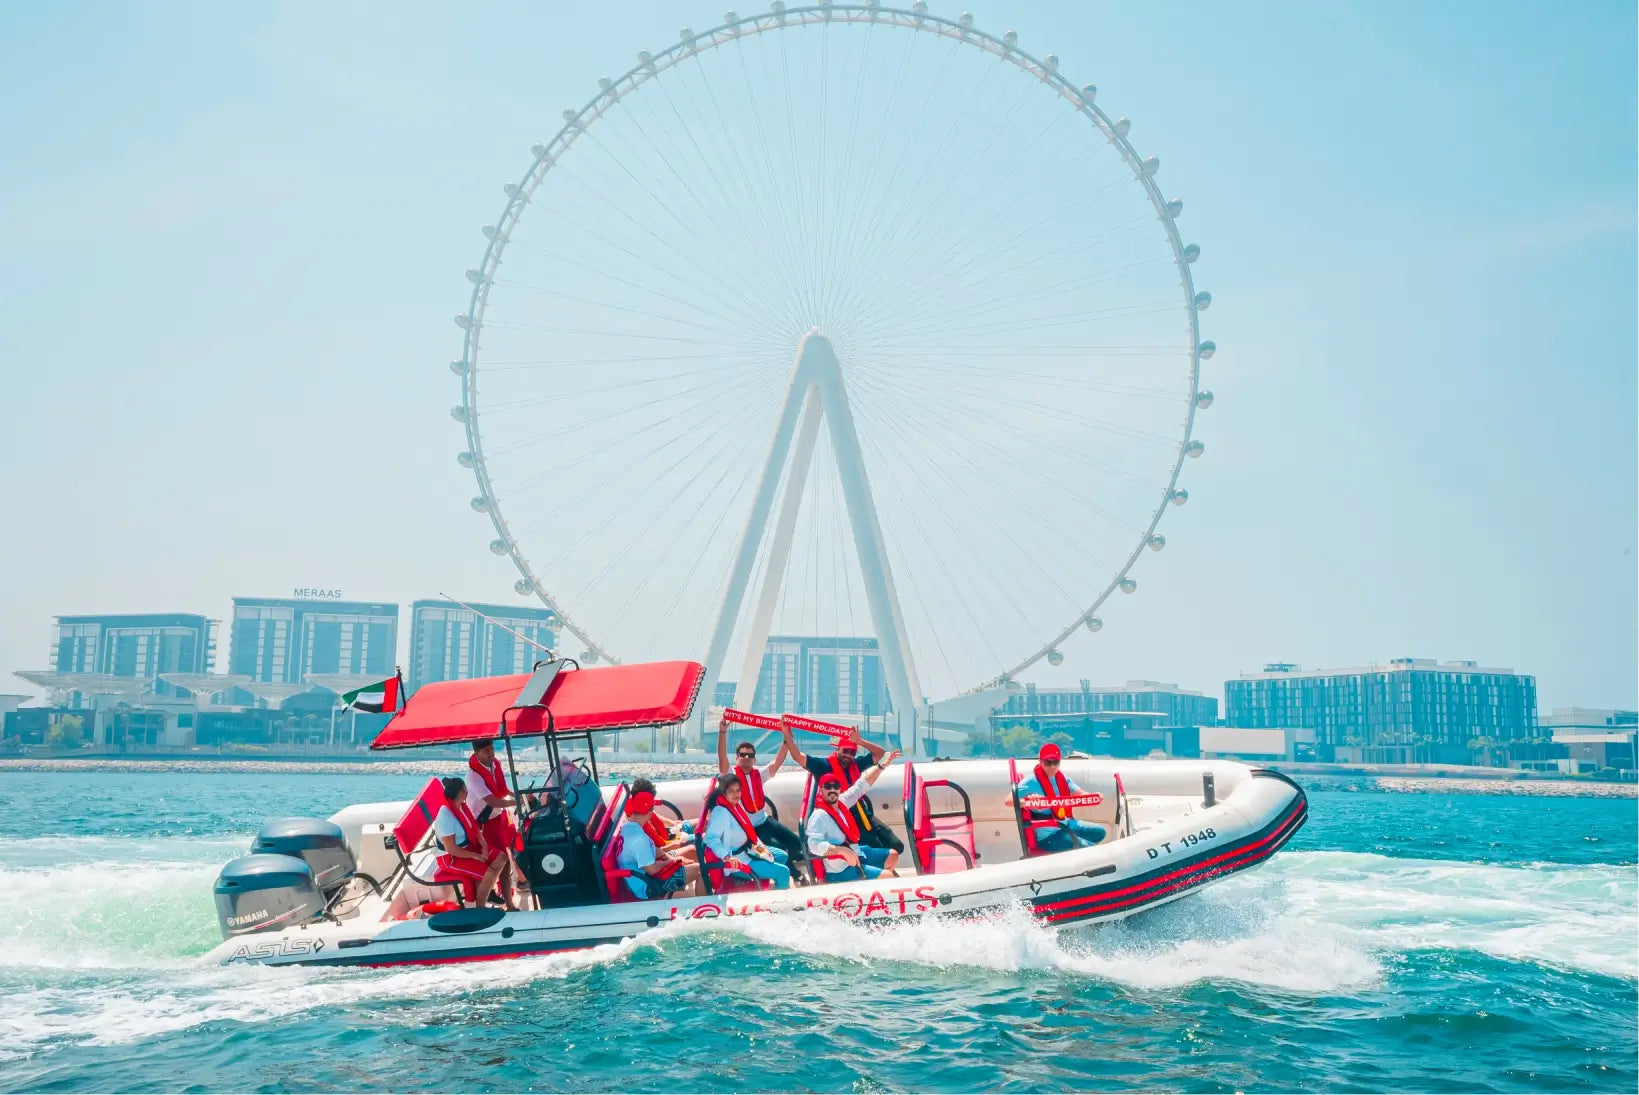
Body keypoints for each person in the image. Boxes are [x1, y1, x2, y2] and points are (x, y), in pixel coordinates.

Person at [781, 723, 905, 858]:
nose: (848, 755)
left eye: (852, 752)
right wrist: (787, 737)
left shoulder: (856, 764)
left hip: (862, 813)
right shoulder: (824, 765)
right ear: (838, 750)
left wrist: (860, 741)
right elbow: (798, 757)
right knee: (876, 849)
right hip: (842, 818)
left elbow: (880, 753)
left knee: (896, 845)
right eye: (845, 751)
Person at [717, 718, 808, 879]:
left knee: (796, 841)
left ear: (754, 759)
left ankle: (795, 860)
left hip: (765, 820)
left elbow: (777, 762)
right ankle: (795, 875)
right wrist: (722, 732)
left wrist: (787, 740)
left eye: (749, 755)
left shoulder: (759, 774)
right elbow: (722, 758)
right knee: (777, 848)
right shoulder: (731, 776)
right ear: (737, 758)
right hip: (750, 829)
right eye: (742, 754)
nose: (746, 757)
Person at [805, 750, 902, 881]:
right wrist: (841, 850)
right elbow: (813, 845)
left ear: (840, 789)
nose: (832, 790)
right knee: (889, 877)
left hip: (855, 853)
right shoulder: (819, 816)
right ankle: (873, 881)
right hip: (840, 868)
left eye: (836, 786)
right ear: (821, 790)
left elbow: (861, 786)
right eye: (828, 786)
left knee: (893, 855)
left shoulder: (842, 802)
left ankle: (871, 884)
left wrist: (882, 766)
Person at [432, 776, 515, 910]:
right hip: (450, 858)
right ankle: (480, 908)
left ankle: (487, 893)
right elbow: (452, 849)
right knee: (488, 873)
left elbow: (474, 829)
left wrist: (483, 845)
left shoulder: (462, 807)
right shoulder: (445, 816)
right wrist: (475, 856)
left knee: (501, 858)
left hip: (467, 847)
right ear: (462, 792)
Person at [704, 772, 791, 889]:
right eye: (731, 791)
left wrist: (762, 850)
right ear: (723, 793)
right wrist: (727, 857)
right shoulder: (721, 812)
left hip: (749, 850)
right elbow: (711, 838)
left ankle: (766, 886)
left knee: (782, 856)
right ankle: (779, 902)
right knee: (783, 872)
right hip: (738, 861)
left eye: (738, 790)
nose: (736, 794)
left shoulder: (735, 807)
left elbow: (749, 834)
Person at [1016, 742, 1107, 852]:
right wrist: (1027, 801)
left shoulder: (1062, 778)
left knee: (1100, 832)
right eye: (1048, 763)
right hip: (1048, 836)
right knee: (1090, 849)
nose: (1052, 766)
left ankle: (1074, 854)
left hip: (1065, 824)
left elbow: (1082, 794)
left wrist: (1096, 797)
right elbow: (1009, 801)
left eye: (1056, 762)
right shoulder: (1031, 782)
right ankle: (1077, 852)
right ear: (1040, 762)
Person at [617, 789, 700, 901]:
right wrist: (670, 862)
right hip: (648, 886)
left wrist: (671, 857)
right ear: (650, 813)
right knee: (701, 871)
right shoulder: (639, 840)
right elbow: (652, 869)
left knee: (691, 850)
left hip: (650, 871)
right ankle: (706, 906)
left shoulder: (628, 827)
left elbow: (653, 849)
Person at [466, 739, 520, 901]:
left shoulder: (493, 765)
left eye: (492, 749)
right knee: (499, 860)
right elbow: (492, 801)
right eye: (486, 751)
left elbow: (501, 789)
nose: (491, 754)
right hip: (485, 823)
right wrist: (517, 801)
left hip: (499, 816)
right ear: (477, 753)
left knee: (508, 855)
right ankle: (495, 896)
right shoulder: (473, 776)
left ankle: (506, 895)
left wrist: (516, 795)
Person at [630, 777, 696, 864]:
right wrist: (671, 848)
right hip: (663, 851)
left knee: (697, 825)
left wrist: (672, 823)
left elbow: (655, 816)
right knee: (694, 848)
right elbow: (650, 861)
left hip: (666, 839)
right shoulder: (636, 825)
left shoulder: (641, 811)